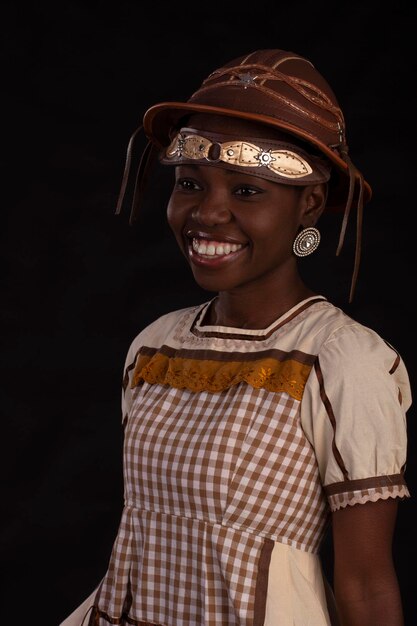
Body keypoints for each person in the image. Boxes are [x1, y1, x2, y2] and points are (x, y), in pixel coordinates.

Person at [61, 49, 411, 626]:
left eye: (247, 192)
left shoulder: (342, 361)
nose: (208, 213)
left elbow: (366, 583)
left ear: (311, 205)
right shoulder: (154, 348)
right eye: (191, 184)